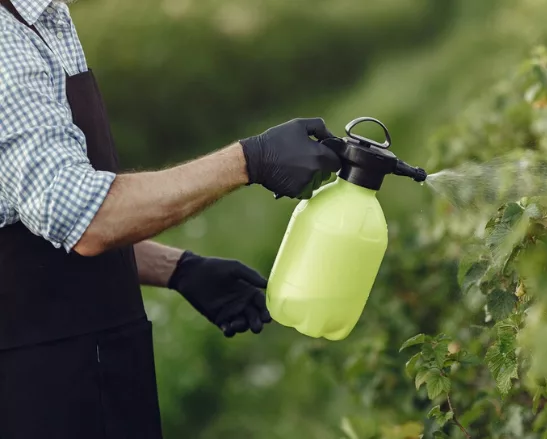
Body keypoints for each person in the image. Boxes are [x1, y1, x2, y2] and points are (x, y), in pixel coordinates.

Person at [0, 0, 342, 437]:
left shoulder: (44, 17)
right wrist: (249, 160)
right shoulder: (5, 42)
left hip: (93, 370)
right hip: (38, 392)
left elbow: (38, 216)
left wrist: (179, 269)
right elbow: (89, 216)